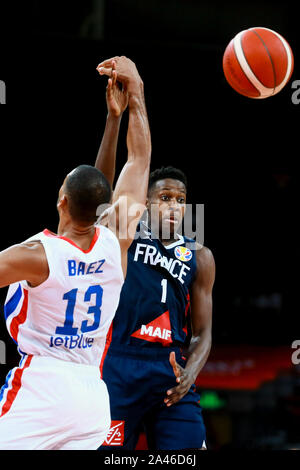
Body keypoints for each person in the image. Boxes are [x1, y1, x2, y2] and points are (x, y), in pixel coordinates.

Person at [0, 56, 151, 450]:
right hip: (91, 397)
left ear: (60, 200)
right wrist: (132, 98)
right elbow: (138, 160)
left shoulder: (34, 255)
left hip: (40, 389)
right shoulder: (115, 240)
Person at [95, 59, 216, 450]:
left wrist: (191, 371)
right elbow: (100, 186)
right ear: (144, 203)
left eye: (181, 200)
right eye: (164, 198)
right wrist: (115, 120)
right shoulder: (123, 235)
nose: (174, 207)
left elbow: (204, 331)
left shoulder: (200, 256)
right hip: (119, 361)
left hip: (170, 370)